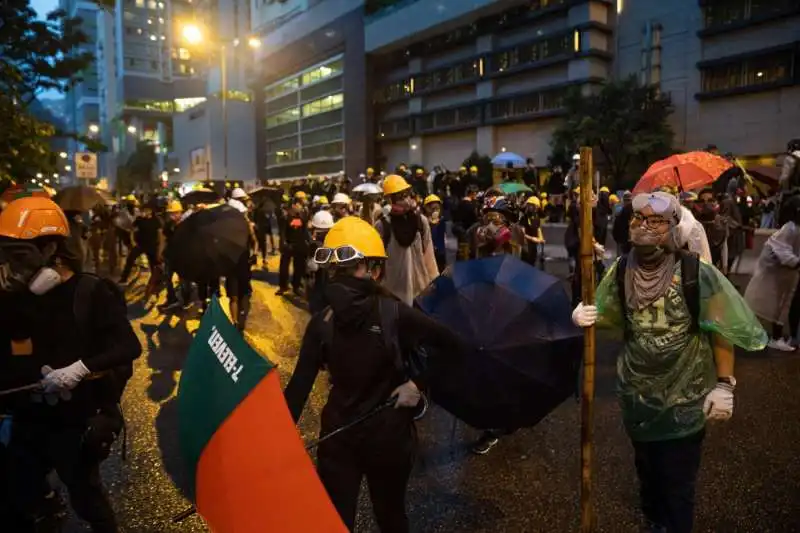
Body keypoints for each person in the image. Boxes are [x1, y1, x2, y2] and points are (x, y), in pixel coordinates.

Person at [572, 191, 766, 533]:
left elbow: (722, 328)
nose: (644, 226)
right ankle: (655, 522)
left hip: (684, 399)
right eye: (638, 218)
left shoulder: (695, 272)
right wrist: (586, 314)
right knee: (648, 476)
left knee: (677, 485)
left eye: (656, 220)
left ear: (674, 227)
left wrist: (724, 385)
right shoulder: (620, 270)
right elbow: (608, 315)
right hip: (638, 397)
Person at [284, 216, 466, 533]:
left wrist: (416, 384)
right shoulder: (390, 312)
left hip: (353, 438)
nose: (340, 279)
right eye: (338, 270)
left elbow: (297, 393)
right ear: (376, 269)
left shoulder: (326, 319)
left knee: (343, 524)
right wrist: (417, 383)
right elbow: (453, 346)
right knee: (389, 520)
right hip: (379, 438)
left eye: (346, 268)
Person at [0, 197, 142, 533]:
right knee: (14, 500)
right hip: (25, 419)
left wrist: (77, 369)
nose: (9, 265)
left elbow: (127, 346)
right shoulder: (13, 295)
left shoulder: (90, 292)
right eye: (4, 254)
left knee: (87, 499)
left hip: (76, 422)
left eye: (19, 255)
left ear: (50, 249)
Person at [744, 195, 800, 352]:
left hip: (785, 273)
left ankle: (775, 336)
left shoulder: (794, 228)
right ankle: (774, 337)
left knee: (780, 305)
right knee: (774, 304)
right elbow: (781, 248)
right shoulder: (790, 228)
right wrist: (795, 262)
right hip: (777, 271)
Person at [375, 175, 438, 306]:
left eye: (406, 194)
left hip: (420, 292)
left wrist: (434, 282)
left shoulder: (421, 221)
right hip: (392, 295)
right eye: (399, 197)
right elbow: (376, 262)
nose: (405, 200)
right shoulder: (382, 226)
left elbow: (429, 255)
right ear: (389, 199)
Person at [118, 204, 163, 287]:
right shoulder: (139, 219)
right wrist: (133, 241)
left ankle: (156, 282)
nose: (145, 212)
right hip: (140, 245)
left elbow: (160, 233)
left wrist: (159, 247)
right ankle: (123, 278)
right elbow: (132, 230)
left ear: (151, 211)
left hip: (152, 246)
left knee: (154, 265)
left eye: (147, 210)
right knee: (130, 260)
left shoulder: (156, 220)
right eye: (144, 210)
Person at [277, 192, 310, 296]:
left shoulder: (305, 212)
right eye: (302, 200)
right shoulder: (286, 214)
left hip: (300, 243)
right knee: (284, 266)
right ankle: (283, 286)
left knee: (299, 266)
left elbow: (305, 227)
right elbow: (282, 230)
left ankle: (296, 285)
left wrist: (300, 214)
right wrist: (282, 243)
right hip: (288, 243)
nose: (304, 202)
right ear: (297, 201)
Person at [422, 194, 447, 273]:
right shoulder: (423, 222)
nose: (435, 210)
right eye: (433, 208)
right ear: (426, 208)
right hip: (428, 254)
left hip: (441, 253)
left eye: (437, 208)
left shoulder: (443, 221)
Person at [520, 196, 545, 267]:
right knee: (525, 266)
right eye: (530, 205)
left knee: (532, 264)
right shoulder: (524, 218)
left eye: (533, 205)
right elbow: (522, 233)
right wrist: (532, 238)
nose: (535, 207)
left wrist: (541, 238)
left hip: (534, 246)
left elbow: (538, 228)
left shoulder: (536, 216)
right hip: (526, 246)